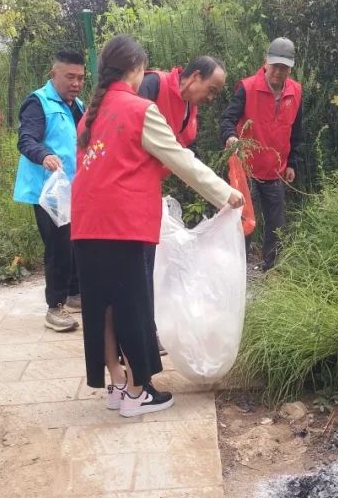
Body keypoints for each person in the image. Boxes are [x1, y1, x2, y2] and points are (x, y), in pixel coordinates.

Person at [71, 35, 243, 418]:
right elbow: (180, 159)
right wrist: (225, 193)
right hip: (123, 223)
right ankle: (137, 394)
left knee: (103, 308)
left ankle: (118, 384)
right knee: (132, 306)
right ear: (136, 69)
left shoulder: (90, 114)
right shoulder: (140, 109)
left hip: (86, 223)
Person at [138, 56, 227, 354]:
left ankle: (147, 332)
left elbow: (185, 156)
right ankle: (139, 338)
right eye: (211, 89)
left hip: (150, 187)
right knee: (139, 264)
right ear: (195, 76)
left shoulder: (190, 108)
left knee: (149, 262)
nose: (211, 98)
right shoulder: (153, 85)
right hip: (129, 188)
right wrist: (220, 193)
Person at [13, 49, 86, 332]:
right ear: (53, 74)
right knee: (58, 245)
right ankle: (54, 307)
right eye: (70, 77)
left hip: (73, 187)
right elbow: (26, 139)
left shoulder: (77, 105)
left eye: (80, 77)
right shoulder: (38, 102)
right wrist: (44, 155)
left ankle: (75, 293)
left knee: (77, 240)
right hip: (47, 190)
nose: (76, 83)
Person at [219, 37, 303, 271]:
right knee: (244, 221)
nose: (278, 71)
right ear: (266, 61)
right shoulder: (247, 88)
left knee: (276, 224)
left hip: (276, 170)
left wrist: (292, 162)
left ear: (290, 68)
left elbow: (297, 130)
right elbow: (227, 119)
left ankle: (272, 268)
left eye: (284, 67)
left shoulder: (295, 91)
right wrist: (230, 136)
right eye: (274, 65)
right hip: (246, 170)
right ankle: (239, 269)